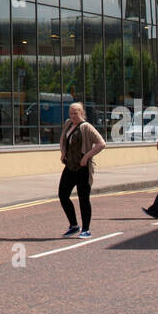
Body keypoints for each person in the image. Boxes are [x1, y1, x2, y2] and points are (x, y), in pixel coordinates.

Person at [58, 102, 105, 238]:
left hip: (82, 168)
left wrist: (87, 156)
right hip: (70, 166)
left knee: (83, 198)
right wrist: (63, 153)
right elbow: (64, 141)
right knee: (63, 194)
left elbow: (101, 143)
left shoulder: (86, 127)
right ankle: (73, 225)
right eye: (71, 113)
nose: (73, 115)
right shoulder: (68, 124)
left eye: (76, 113)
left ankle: (86, 229)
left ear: (81, 113)